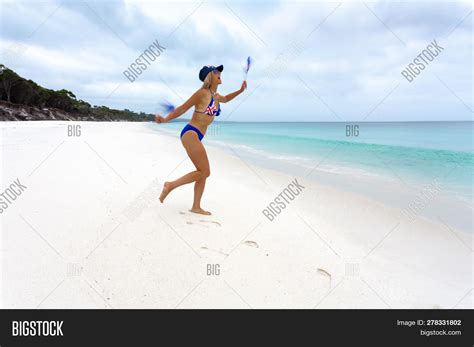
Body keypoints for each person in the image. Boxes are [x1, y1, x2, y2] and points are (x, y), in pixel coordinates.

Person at [155, 65, 247, 215]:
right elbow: (182, 108)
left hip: (198, 135)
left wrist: (241, 90)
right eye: (217, 72)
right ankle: (170, 185)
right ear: (209, 76)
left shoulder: (216, 96)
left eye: (220, 72)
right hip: (190, 133)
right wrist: (165, 120)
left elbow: (227, 99)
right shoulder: (202, 93)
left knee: (202, 172)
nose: (220, 74)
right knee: (205, 171)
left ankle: (196, 206)